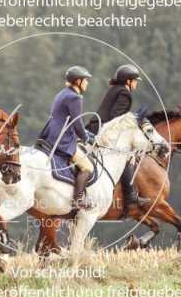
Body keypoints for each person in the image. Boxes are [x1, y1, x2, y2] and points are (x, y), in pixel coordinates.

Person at [86, 64, 151, 208]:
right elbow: (116, 118)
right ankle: (131, 196)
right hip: (103, 130)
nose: (136, 84)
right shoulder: (125, 93)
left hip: (94, 126)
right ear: (128, 81)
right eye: (135, 80)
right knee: (129, 158)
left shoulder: (115, 89)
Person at [38, 66, 97, 210]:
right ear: (78, 81)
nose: (87, 83)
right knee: (88, 167)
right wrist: (86, 138)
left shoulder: (62, 93)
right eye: (85, 80)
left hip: (51, 135)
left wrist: (85, 133)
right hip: (63, 140)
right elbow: (77, 123)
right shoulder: (75, 97)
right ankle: (78, 199)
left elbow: (70, 121)